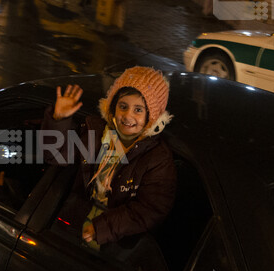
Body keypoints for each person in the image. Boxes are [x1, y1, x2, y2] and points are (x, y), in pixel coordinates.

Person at [44, 67, 177, 248]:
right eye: (123, 106)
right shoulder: (96, 132)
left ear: (151, 115)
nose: (128, 115)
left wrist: (102, 228)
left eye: (138, 110)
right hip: (74, 223)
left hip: (116, 244)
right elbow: (56, 156)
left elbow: (150, 209)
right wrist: (58, 120)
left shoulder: (157, 158)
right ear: (113, 106)